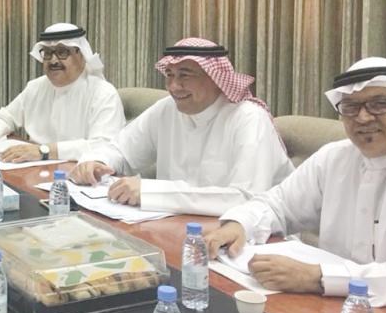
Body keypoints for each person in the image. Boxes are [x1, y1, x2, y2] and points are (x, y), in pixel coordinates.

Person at [204, 58, 386, 307]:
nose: (363, 117)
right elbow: (277, 204)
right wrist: (239, 224)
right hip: (332, 309)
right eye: (350, 107)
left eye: (380, 104)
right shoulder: (336, 157)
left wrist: (317, 277)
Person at [70, 37, 292, 215]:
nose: (174, 86)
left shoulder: (248, 118)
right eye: (170, 75)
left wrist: (152, 193)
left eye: (185, 75)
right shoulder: (167, 109)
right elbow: (121, 150)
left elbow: (245, 198)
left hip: (253, 240)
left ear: (215, 78)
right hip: (178, 227)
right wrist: (98, 162)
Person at [0, 23, 125, 163]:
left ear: (82, 55)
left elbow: (104, 146)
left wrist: (44, 151)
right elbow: (7, 117)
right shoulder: (36, 87)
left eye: (62, 52)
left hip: (79, 174)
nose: (53, 61)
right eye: (47, 53)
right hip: (33, 170)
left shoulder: (103, 93)